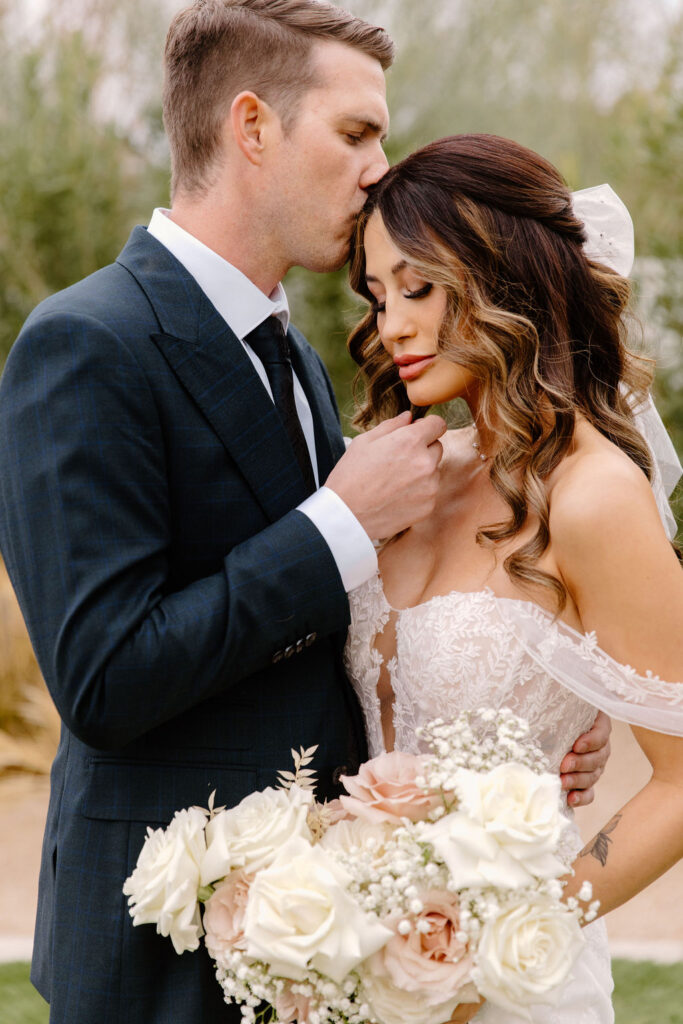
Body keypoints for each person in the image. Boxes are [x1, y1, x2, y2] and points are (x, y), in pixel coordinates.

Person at [0, 2, 608, 1020]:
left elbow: (335, 639)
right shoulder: (87, 342)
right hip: (161, 954)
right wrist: (335, 523)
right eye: (354, 133)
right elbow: (103, 676)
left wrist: (509, 735)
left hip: (321, 941)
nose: (379, 166)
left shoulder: (295, 360)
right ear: (251, 127)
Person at [343, 132, 683, 1023]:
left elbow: (682, 780)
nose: (393, 326)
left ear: (512, 278)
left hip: (513, 990)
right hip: (357, 966)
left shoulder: (594, 495)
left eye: (418, 287)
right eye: (378, 297)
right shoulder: (401, 475)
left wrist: (497, 942)